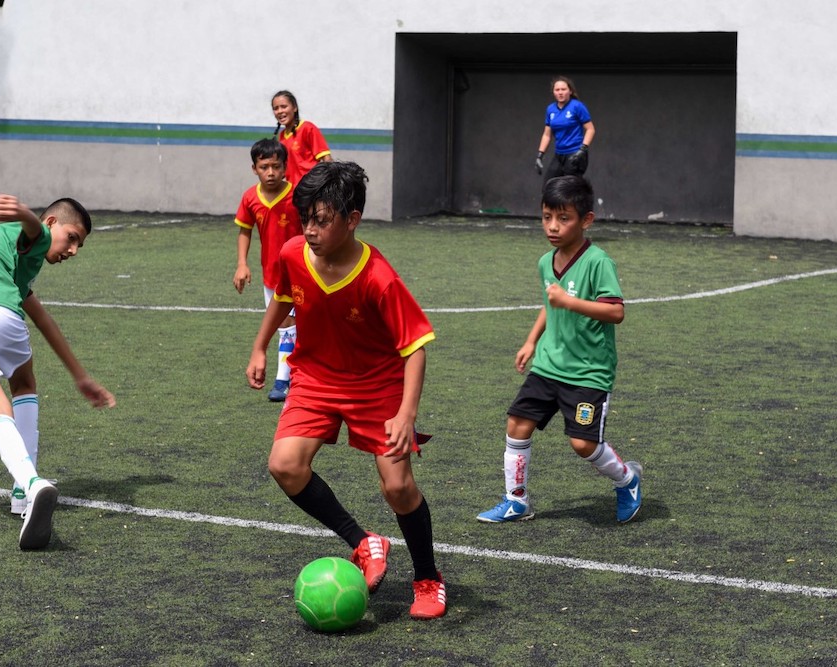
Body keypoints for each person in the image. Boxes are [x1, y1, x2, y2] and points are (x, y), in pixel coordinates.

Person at [245, 161, 446, 620]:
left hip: (377, 386)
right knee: (285, 466)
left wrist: (406, 414)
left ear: (351, 220)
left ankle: (428, 578)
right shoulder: (294, 254)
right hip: (315, 379)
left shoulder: (379, 277)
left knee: (397, 486)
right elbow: (282, 298)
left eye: (322, 220)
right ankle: (363, 542)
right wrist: (259, 347)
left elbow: (416, 346)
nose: (310, 230)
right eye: (305, 219)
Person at [0, 194, 116, 551]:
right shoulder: (33, 234)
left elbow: (42, 317)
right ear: (51, 224)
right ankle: (23, 489)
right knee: (24, 384)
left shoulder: (4, 256)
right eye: (73, 238)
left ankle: (29, 485)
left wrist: (80, 375)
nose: (74, 250)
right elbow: (35, 229)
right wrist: (22, 212)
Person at [477, 176, 642, 525]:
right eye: (547, 216)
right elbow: (549, 305)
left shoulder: (598, 262)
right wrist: (531, 340)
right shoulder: (545, 262)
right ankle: (516, 500)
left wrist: (570, 301)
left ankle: (627, 479)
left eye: (563, 218)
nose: (553, 226)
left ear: (586, 220)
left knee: (583, 445)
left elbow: (616, 312)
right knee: (518, 423)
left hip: (588, 371)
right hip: (549, 365)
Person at [233, 138, 302, 401]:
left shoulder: (298, 195)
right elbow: (244, 230)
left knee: (288, 327)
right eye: (264, 167)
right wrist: (242, 264)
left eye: (275, 166)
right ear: (254, 168)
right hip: (271, 275)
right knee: (287, 327)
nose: (270, 172)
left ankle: (283, 380)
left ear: (285, 167)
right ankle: (295, 377)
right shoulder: (250, 197)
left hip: (300, 273)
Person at [535, 76, 595, 189]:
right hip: (559, 154)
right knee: (548, 187)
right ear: (553, 92)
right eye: (557, 90)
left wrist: (583, 149)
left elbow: (590, 129)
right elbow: (547, 134)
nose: (560, 93)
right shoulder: (551, 109)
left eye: (563, 89)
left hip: (575, 153)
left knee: (571, 189)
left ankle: (582, 206)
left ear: (570, 91)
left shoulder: (577, 106)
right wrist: (540, 155)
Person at [271, 90, 332, 186]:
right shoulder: (282, 137)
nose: (280, 111)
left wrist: (330, 185)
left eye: (284, 106)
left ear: (294, 107)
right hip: (293, 192)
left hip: (311, 189)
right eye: (276, 108)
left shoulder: (307, 128)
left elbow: (327, 159)